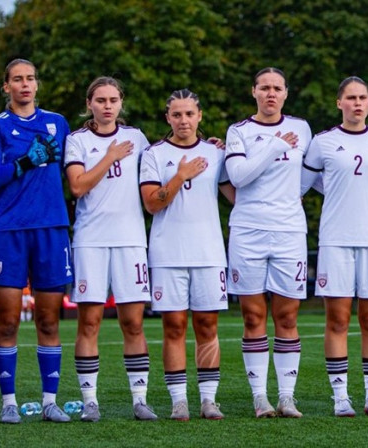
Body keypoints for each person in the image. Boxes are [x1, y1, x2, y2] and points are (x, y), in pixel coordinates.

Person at [0, 59, 73, 423]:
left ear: (37, 84)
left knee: (49, 321)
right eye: (17, 79)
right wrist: (24, 162)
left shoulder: (59, 123)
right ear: (6, 86)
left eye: (30, 78)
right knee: (7, 322)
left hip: (51, 229)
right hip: (10, 231)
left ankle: (50, 401)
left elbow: (92, 145)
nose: (24, 84)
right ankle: (8, 403)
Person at [301, 77, 368, 417]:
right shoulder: (322, 142)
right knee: (337, 320)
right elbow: (302, 184)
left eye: (363, 98)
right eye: (351, 98)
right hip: (336, 240)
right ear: (339, 102)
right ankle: (340, 396)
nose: (358, 103)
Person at [64, 76, 157, 422]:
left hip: (131, 240)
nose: (107, 105)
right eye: (100, 100)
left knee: (133, 322)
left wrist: (205, 146)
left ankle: (139, 399)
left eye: (113, 100)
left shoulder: (137, 138)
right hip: (90, 240)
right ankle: (90, 401)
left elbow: (162, 163)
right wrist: (110, 156)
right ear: (89, 103)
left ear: (121, 103)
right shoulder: (77, 141)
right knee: (89, 321)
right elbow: (78, 186)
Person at [140, 89, 234, 421]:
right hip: (167, 252)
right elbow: (152, 203)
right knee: (174, 326)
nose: (183, 120)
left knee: (208, 325)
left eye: (189, 114)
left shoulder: (216, 153)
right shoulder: (153, 154)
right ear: (168, 118)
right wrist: (180, 175)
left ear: (200, 116)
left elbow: (236, 196)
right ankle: (179, 400)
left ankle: (209, 399)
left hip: (209, 251)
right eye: (177, 114)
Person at [225, 67, 312, 418]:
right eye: (264, 88)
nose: (271, 94)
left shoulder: (302, 128)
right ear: (254, 92)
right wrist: (275, 146)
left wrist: (289, 197)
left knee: (288, 315)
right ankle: (260, 397)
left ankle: (286, 397)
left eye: (277, 88)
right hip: (247, 232)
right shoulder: (239, 131)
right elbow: (239, 176)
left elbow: (309, 174)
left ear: (286, 93)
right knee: (253, 314)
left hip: (289, 231)